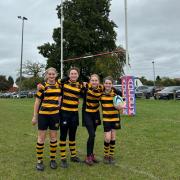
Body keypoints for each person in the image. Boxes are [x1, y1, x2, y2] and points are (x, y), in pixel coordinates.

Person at [32, 67, 61, 171]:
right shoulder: (42, 86)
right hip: (43, 116)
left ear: (56, 75)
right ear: (47, 75)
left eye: (53, 74)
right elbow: (37, 102)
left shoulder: (59, 85)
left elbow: (69, 80)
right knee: (41, 138)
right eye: (50, 74)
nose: (52, 76)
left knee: (53, 138)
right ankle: (39, 161)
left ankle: (52, 160)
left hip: (55, 116)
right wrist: (35, 116)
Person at [58, 67, 83, 168]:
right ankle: (63, 158)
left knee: (72, 135)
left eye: (75, 73)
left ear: (78, 75)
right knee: (63, 135)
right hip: (64, 113)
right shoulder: (63, 83)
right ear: (69, 75)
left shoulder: (80, 85)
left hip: (74, 114)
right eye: (72, 73)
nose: (73, 75)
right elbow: (55, 81)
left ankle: (73, 156)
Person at [82, 74, 103, 166]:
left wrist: (123, 98)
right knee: (92, 134)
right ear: (90, 81)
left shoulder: (101, 88)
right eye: (92, 80)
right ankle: (88, 157)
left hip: (96, 114)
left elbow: (114, 90)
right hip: (87, 114)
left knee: (93, 136)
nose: (94, 82)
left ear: (98, 81)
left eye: (96, 80)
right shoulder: (86, 87)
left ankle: (91, 155)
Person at [100, 76, 122, 164]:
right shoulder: (101, 93)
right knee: (107, 138)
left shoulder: (116, 93)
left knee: (113, 137)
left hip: (115, 118)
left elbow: (122, 101)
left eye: (109, 83)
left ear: (112, 84)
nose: (108, 85)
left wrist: (121, 106)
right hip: (106, 119)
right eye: (106, 83)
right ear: (103, 84)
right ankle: (106, 155)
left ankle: (111, 156)